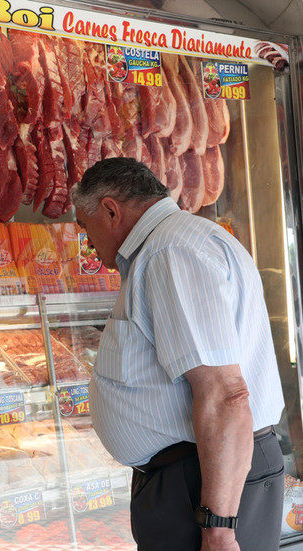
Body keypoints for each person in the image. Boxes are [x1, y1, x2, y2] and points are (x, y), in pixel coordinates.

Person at [71, 157, 284, 551]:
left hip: (203, 484)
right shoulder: (184, 240)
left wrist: (218, 528)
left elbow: (224, 394)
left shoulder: (169, 252)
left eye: (86, 228)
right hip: (200, 476)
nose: (90, 243)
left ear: (110, 210)